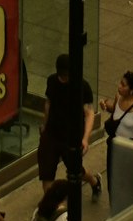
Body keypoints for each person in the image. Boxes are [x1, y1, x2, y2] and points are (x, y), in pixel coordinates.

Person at [38, 52, 103, 199]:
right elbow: (48, 103)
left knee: (76, 170)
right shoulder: (52, 81)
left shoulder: (81, 86)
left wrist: (85, 139)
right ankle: (52, 206)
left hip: (71, 136)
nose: (64, 78)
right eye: (62, 75)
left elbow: (89, 113)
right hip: (52, 133)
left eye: (66, 75)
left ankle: (94, 181)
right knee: (46, 174)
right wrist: (44, 125)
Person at [100, 71, 133, 186]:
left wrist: (130, 151)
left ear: (132, 90)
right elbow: (115, 110)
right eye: (120, 83)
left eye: (123, 85)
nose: (119, 86)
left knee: (129, 182)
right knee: (113, 181)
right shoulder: (119, 96)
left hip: (130, 145)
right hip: (115, 143)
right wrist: (106, 106)